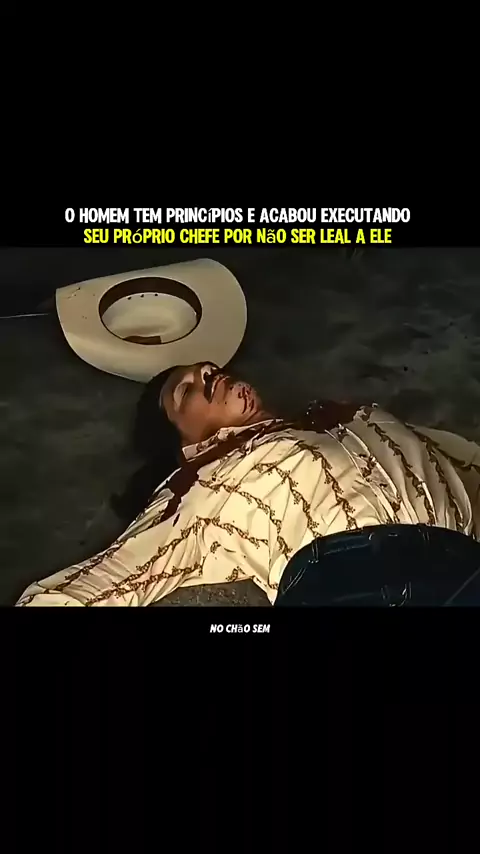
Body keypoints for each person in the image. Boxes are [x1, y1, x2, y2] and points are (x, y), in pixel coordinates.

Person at [16, 362, 480, 607]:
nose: (208, 374)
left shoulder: (352, 415)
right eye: (186, 389)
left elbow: (460, 462)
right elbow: (114, 575)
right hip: (357, 582)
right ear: (182, 444)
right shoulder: (203, 482)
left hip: (463, 566)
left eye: (208, 369)